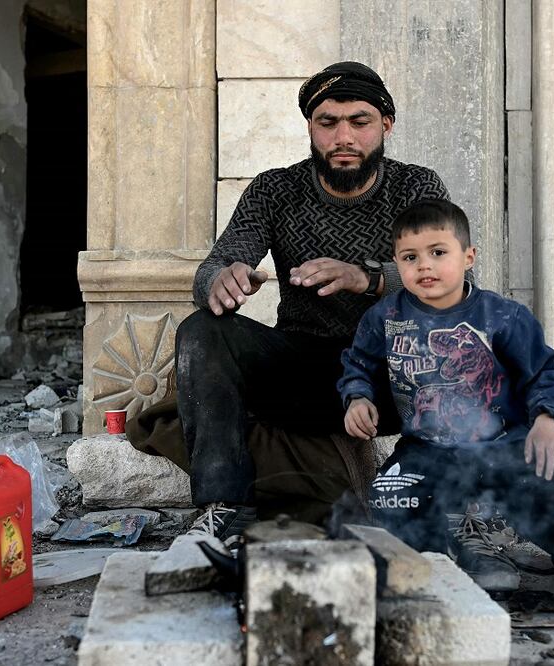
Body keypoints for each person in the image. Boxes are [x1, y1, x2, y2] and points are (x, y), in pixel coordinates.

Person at [174, 62, 448, 545]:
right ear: (310, 127)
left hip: (391, 373)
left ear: (385, 125)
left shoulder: (416, 189)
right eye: (328, 122)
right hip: (303, 370)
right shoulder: (274, 190)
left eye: (359, 122)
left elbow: (451, 284)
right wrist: (222, 279)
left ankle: (413, 497)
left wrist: (366, 279)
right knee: (202, 330)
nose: (344, 136)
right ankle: (225, 504)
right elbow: (212, 268)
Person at [337, 199, 554, 629]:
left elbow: (545, 374)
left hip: (503, 441)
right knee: (390, 495)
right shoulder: (383, 318)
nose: (424, 266)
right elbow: (359, 364)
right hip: (428, 446)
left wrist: (545, 421)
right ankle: (437, 570)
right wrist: (357, 398)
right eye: (410, 257)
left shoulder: (503, 316)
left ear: (468, 256)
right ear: (396, 263)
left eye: (438, 253)